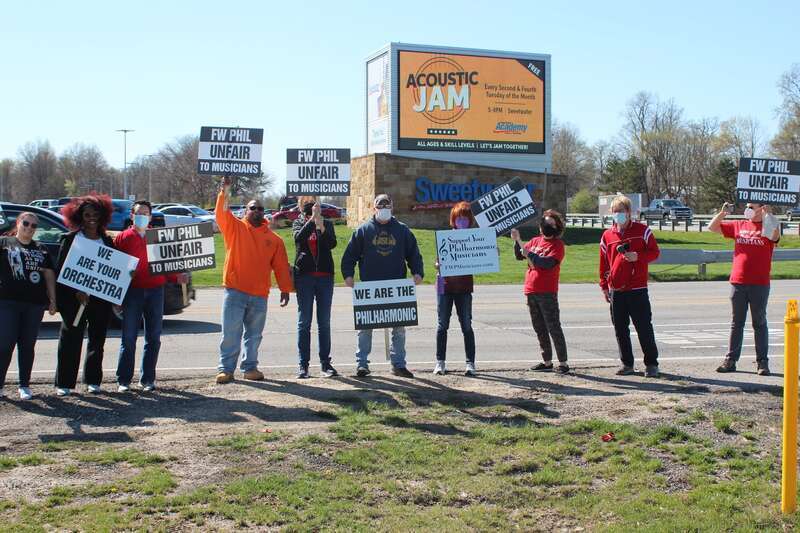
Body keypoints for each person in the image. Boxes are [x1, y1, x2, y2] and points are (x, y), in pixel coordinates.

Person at [215, 176, 292, 384]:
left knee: (254, 335)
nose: (256, 211)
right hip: (235, 291)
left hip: (259, 295)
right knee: (230, 333)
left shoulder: (274, 239)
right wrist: (225, 190)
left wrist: (285, 288)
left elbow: (281, 266)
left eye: (260, 209)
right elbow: (222, 212)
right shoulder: (235, 228)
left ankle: (250, 368)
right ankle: (226, 370)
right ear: (245, 211)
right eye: (252, 208)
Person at [341, 193, 424, 378]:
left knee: (399, 327)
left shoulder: (402, 230)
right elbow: (349, 255)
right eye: (380, 206)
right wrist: (348, 275)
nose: (383, 209)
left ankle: (398, 364)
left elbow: (414, 254)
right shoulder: (363, 230)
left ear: (392, 207)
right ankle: (362, 364)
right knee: (365, 328)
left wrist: (417, 272)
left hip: (397, 287)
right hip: (370, 287)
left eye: (387, 206)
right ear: (374, 208)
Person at [113, 200, 188, 392]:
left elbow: (167, 265)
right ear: (132, 215)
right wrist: (116, 297)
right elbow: (115, 267)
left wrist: (177, 277)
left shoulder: (158, 237)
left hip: (156, 291)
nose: (142, 216)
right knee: (128, 338)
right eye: (139, 213)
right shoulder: (122, 238)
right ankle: (124, 380)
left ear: (150, 216)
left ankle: (147, 379)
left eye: (145, 213)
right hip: (132, 293)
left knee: (153, 337)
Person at [709, 202, 780, 375]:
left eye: (752, 206)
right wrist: (723, 212)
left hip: (759, 282)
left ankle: (762, 362)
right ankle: (731, 360)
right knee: (737, 322)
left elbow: (775, 237)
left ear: (761, 208)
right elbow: (712, 227)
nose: (748, 209)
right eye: (747, 206)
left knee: (759, 322)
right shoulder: (739, 225)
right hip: (738, 282)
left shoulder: (769, 225)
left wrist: (769, 215)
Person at [55, 195, 115, 395]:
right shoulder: (71, 240)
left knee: (98, 339)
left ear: (102, 217)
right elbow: (60, 272)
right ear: (79, 216)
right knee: (70, 338)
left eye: (96, 214)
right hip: (74, 300)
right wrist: (75, 291)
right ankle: (64, 383)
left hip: (99, 300)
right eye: (87, 214)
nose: (92, 218)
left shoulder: (107, 241)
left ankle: (93, 380)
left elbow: (113, 271)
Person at [599, 195, 661, 378]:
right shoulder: (607, 235)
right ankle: (627, 364)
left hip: (637, 289)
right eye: (615, 211)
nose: (618, 215)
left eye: (622, 211)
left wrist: (638, 256)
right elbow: (603, 263)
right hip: (617, 290)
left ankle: (651, 364)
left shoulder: (642, 231)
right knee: (620, 329)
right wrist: (604, 285)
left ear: (629, 212)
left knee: (643, 327)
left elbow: (655, 252)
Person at [0, 213, 57, 400]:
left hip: (34, 304)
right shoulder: (4, 243)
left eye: (33, 225)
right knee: (5, 344)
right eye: (26, 223)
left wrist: (52, 300)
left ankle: (24, 385)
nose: (29, 228)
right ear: (18, 223)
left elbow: (49, 276)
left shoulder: (41, 249)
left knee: (27, 345)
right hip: (7, 302)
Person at [510, 209, 568, 373]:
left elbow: (547, 263)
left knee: (553, 327)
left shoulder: (558, 245)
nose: (548, 226)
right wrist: (517, 240)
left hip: (547, 291)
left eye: (551, 223)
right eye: (545, 223)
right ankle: (547, 361)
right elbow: (519, 255)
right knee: (539, 328)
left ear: (557, 226)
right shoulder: (535, 241)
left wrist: (531, 256)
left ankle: (563, 363)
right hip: (531, 289)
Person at [292, 196, 338, 379]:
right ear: (300, 207)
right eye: (305, 204)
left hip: (325, 277)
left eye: (312, 203)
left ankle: (326, 364)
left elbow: (331, 243)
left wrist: (321, 224)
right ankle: (303, 365)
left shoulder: (326, 222)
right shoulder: (297, 222)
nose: (309, 206)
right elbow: (299, 238)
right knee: (304, 322)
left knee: (324, 322)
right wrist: (311, 221)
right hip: (305, 277)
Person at [433, 201, 477, 376]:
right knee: (442, 325)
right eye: (459, 218)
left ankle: (470, 363)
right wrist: (438, 265)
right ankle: (440, 362)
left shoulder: (475, 239)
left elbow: (482, 257)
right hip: (445, 286)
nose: (462, 221)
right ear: (453, 219)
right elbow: (437, 262)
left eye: (465, 218)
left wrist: (491, 252)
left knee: (466, 325)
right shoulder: (445, 237)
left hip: (464, 287)